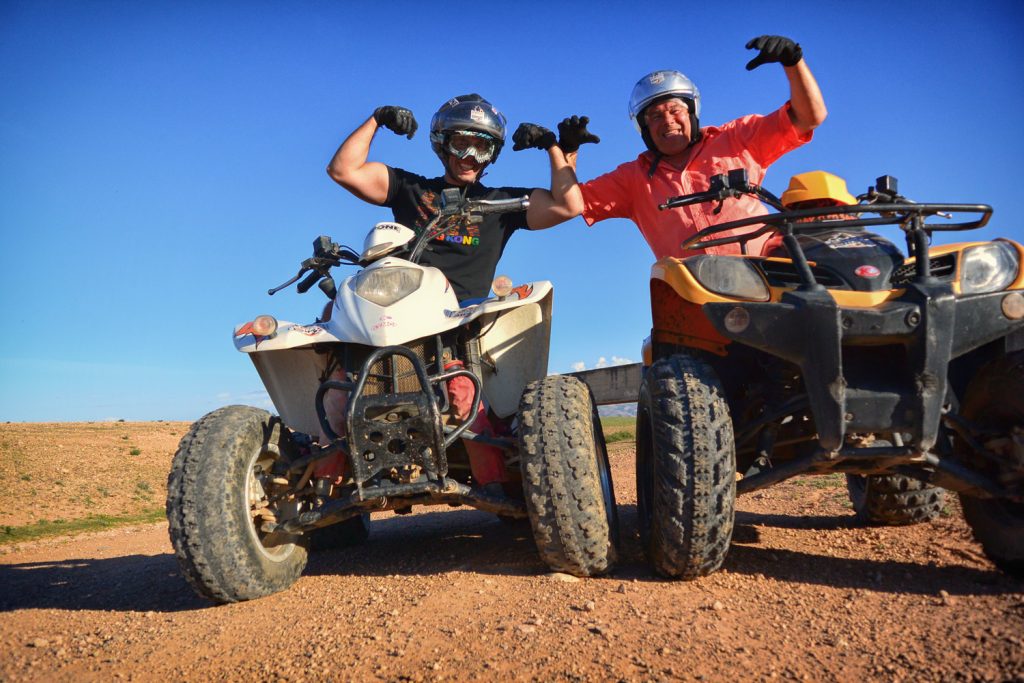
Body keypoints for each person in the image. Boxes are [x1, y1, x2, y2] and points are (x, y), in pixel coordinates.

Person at [317, 94, 583, 491]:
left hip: (461, 320)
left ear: (492, 154)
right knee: (337, 394)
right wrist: (376, 119)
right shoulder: (411, 189)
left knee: (461, 394)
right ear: (442, 144)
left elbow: (569, 205)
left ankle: (495, 487)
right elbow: (343, 169)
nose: (471, 155)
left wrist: (556, 149)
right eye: (462, 143)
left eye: (483, 146)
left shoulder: (502, 203)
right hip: (395, 314)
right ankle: (324, 487)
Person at [563, 35, 828, 259]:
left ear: (691, 113)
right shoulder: (633, 178)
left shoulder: (737, 138)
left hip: (765, 277)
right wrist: (567, 151)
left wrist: (793, 61)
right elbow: (571, 202)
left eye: (675, 110)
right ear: (644, 129)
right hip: (695, 299)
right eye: (655, 116)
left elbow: (809, 117)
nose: (667, 120)